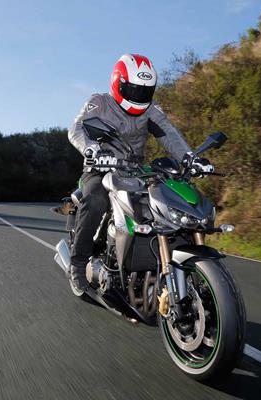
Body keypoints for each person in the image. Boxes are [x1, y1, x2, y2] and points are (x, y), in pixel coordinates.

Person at [67, 53, 214, 293]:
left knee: (166, 203)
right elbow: (76, 129)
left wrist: (190, 158)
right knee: (95, 200)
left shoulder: (151, 110)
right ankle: (78, 265)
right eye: (134, 89)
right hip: (100, 169)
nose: (139, 96)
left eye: (145, 90)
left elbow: (169, 134)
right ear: (119, 83)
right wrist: (92, 149)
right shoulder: (99, 102)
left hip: (136, 170)